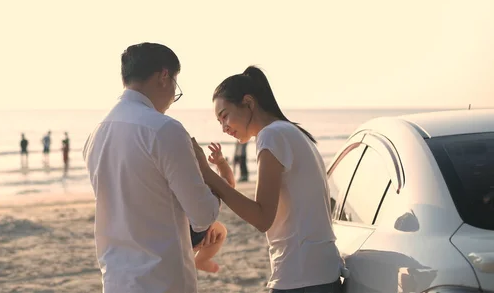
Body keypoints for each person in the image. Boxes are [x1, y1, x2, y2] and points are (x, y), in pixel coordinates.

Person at [82, 42, 222, 293]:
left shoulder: (96, 134)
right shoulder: (164, 129)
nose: (172, 97)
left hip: (116, 280)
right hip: (163, 280)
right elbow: (202, 215)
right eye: (176, 86)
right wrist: (211, 177)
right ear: (164, 76)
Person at [192, 66, 343, 293]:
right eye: (219, 122)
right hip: (319, 272)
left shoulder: (272, 135)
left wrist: (207, 173)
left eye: (225, 116)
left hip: (301, 277)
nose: (224, 128)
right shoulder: (291, 132)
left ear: (248, 102)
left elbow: (262, 218)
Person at [190, 142, 235, 273]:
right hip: (199, 233)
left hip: (177, 230)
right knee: (221, 231)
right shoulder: (209, 183)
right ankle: (200, 260)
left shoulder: (176, 182)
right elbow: (230, 183)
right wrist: (221, 162)